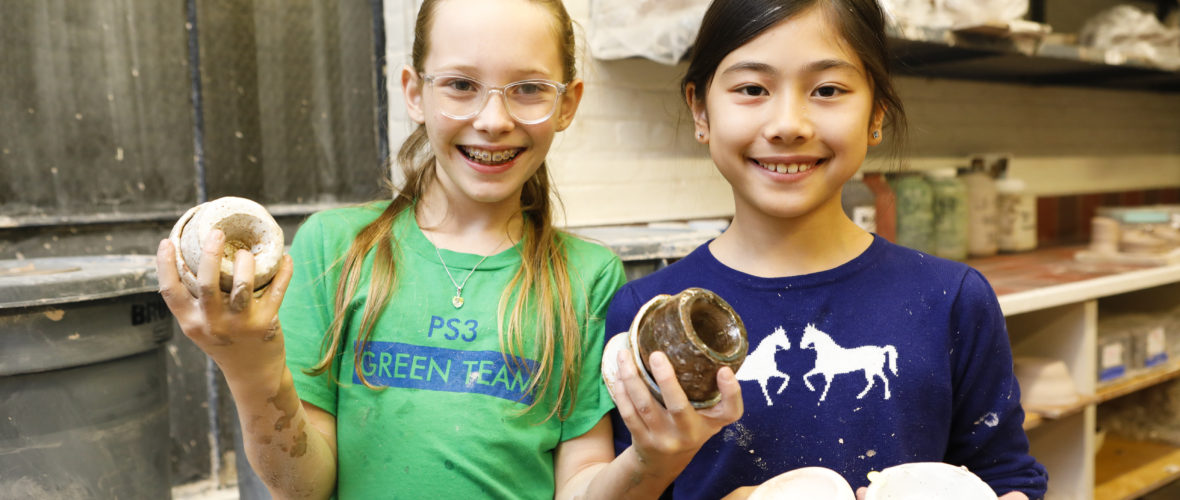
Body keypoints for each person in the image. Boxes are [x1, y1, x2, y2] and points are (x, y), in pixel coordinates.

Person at [156, 0, 743, 498]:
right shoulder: (335, 248)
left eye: (529, 89)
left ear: (567, 104)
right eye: (461, 85)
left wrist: (654, 460)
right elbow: (301, 485)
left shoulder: (587, 276)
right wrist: (251, 366)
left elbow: (580, 485)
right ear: (414, 92)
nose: (494, 120)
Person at [604, 0, 1049, 499]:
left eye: (827, 90)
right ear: (700, 110)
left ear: (876, 112)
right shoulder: (647, 315)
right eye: (752, 89)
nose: (788, 124)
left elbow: (1007, 479)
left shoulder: (953, 299)